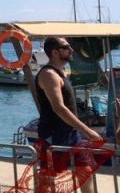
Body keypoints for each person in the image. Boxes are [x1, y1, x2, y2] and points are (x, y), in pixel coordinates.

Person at [35, 36, 102, 193]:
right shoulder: (48, 74)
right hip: (53, 134)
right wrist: (88, 131)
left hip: (71, 134)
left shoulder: (61, 73)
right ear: (55, 52)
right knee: (48, 180)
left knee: (85, 171)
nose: (71, 50)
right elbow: (59, 108)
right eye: (66, 47)